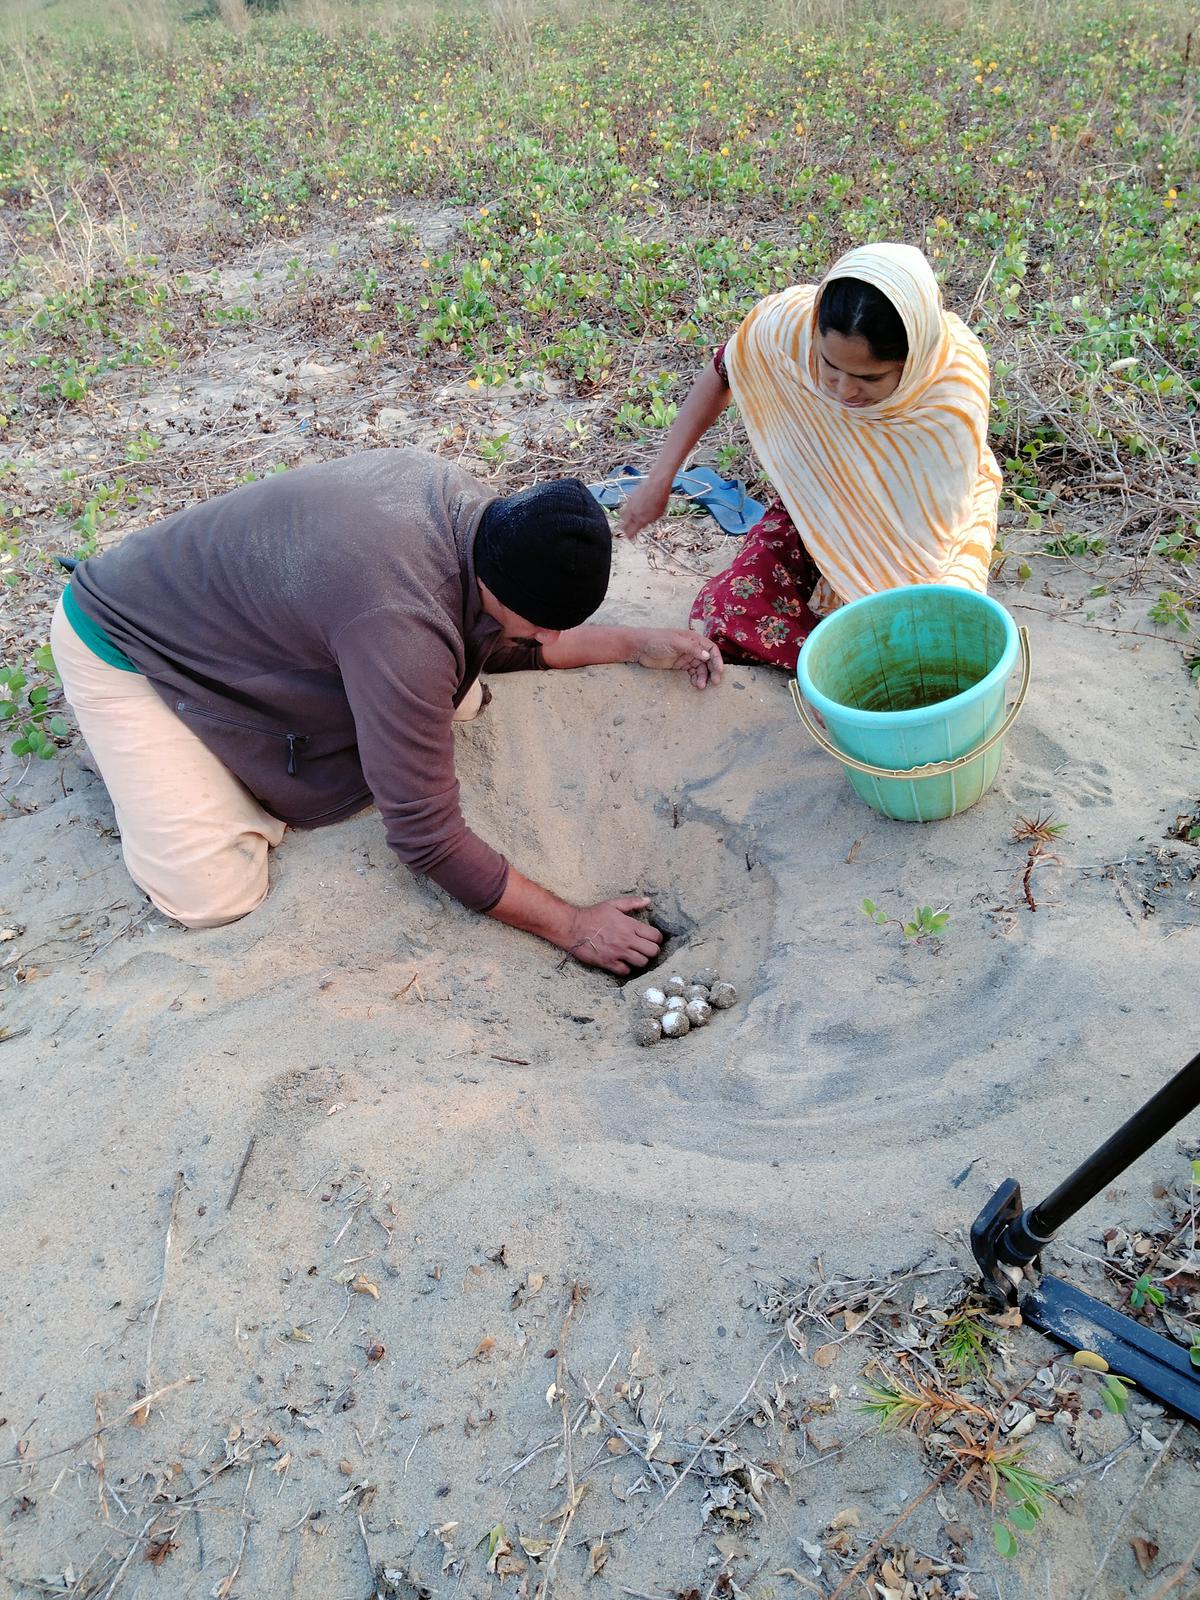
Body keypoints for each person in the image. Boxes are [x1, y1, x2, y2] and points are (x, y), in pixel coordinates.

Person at [53, 447, 721, 974]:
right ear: (500, 585)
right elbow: (425, 837)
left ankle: (210, 750)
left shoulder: (472, 517)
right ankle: (139, 740)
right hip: (124, 640)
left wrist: (634, 643)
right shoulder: (401, 625)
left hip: (243, 620)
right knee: (213, 894)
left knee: (455, 698)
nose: (544, 641)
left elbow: (501, 639)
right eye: (541, 629)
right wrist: (573, 926)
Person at [620, 242, 1002, 668]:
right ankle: (836, 668)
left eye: (869, 378)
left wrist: (859, 595)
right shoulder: (788, 327)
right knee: (724, 611)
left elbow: (925, 552)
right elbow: (722, 372)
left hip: (918, 535)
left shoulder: (951, 387)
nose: (842, 390)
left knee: (930, 642)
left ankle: (849, 663)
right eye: (829, 366)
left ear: (911, 361)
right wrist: (660, 479)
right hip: (815, 501)